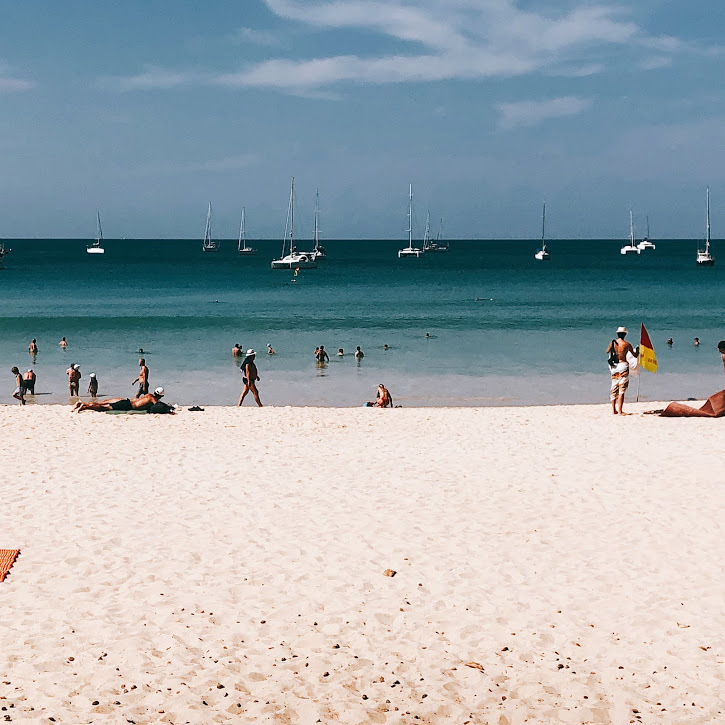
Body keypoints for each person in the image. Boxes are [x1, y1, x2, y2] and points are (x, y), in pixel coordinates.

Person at [606, 326, 639, 415]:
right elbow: (635, 355)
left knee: (614, 387)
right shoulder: (627, 344)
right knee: (622, 389)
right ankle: (620, 411)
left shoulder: (613, 343)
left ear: (617, 334)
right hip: (623, 365)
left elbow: (607, 351)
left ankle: (614, 410)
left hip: (614, 367)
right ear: (625, 334)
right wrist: (638, 350)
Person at [74, 387, 168, 413]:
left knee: (103, 402)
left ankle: (83, 403)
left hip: (127, 401)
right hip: (127, 406)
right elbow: (158, 406)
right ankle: (85, 407)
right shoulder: (153, 399)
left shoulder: (148, 394)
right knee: (105, 407)